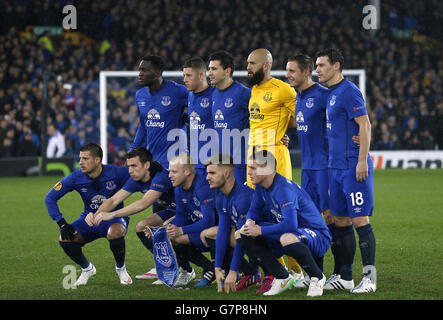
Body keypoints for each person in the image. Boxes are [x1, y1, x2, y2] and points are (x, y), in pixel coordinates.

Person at [316, 48, 376, 293]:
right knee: (338, 219)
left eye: (321, 65)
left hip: (353, 167)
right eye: (316, 65)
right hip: (335, 168)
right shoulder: (330, 94)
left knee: (360, 218)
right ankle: (346, 277)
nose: (317, 69)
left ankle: (370, 279)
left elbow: (365, 124)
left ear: (336, 66)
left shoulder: (349, 91)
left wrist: (362, 161)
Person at [236, 149, 331, 296]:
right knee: (241, 233)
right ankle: (281, 277)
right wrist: (249, 222)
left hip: (317, 235)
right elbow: (253, 211)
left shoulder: (283, 189)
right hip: (293, 232)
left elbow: (291, 225)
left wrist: (260, 230)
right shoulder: (261, 187)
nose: (249, 172)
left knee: (286, 238)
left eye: (253, 168)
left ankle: (317, 277)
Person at [246, 48, 303, 279]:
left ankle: (298, 270)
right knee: (259, 217)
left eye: (251, 63)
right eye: (247, 63)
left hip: (276, 159)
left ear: (266, 65)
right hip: (254, 160)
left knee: (282, 215)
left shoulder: (283, 90)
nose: (248, 67)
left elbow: (301, 118)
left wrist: (282, 133)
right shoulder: (255, 89)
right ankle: (278, 272)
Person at [44, 142, 132, 286]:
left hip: (113, 218)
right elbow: (50, 198)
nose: (80, 162)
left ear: (97, 160)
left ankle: (121, 269)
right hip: (89, 220)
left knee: (116, 232)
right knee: (64, 238)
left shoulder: (116, 173)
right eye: (80, 158)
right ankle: (87, 269)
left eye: (85, 159)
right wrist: (61, 223)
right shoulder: (75, 177)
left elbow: (140, 174)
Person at [87, 147, 176, 280]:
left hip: (188, 210)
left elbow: (143, 203)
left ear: (146, 165)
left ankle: (189, 269)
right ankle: (164, 265)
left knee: (170, 229)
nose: (130, 170)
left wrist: (112, 214)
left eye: (134, 166)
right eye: (128, 166)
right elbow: (113, 200)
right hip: (172, 210)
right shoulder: (136, 180)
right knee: (142, 227)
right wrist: (96, 215)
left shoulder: (161, 177)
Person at [286, 53, 336, 287]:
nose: (287, 75)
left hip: (325, 168)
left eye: (292, 71)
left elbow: (345, 121)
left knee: (331, 218)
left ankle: (341, 273)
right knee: (311, 221)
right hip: (307, 169)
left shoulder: (324, 96)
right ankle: (315, 274)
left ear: (306, 72)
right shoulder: (297, 97)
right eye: (287, 71)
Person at [203, 154, 261, 293]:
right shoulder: (221, 197)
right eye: (207, 173)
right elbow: (223, 231)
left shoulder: (244, 198)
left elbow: (243, 236)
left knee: (241, 235)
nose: (207, 177)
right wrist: (217, 267)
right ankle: (250, 273)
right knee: (211, 234)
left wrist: (233, 270)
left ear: (227, 174)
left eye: (212, 173)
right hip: (250, 237)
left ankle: (275, 274)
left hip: (269, 240)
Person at [162, 154, 217, 287]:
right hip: (201, 230)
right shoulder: (179, 189)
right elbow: (181, 216)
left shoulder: (202, 187)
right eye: (169, 171)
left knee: (178, 237)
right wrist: (165, 229)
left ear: (187, 171)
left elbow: (209, 221)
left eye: (174, 171)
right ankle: (207, 268)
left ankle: (221, 268)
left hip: (217, 232)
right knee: (168, 235)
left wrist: (180, 230)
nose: (169, 175)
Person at [130, 55, 188, 169]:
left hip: (176, 159)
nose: (140, 74)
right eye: (139, 70)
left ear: (158, 73)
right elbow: (143, 126)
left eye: (144, 70)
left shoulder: (178, 91)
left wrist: (186, 118)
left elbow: (199, 107)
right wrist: (133, 149)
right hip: (152, 160)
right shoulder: (140, 95)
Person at [208, 50, 250, 185]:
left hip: (239, 163)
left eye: (214, 69)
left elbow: (260, 120)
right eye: (209, 69)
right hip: (220, 162)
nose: (210, 73)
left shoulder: (243, 93)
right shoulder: (213, 94)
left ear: (227, 71)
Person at [183, 56, 215, 175]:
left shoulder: (215, 95)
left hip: (213, 162)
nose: (185, 79)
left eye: (189, 75)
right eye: (184, 75)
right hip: (196, 162)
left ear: (201, 75)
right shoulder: (190, 95)